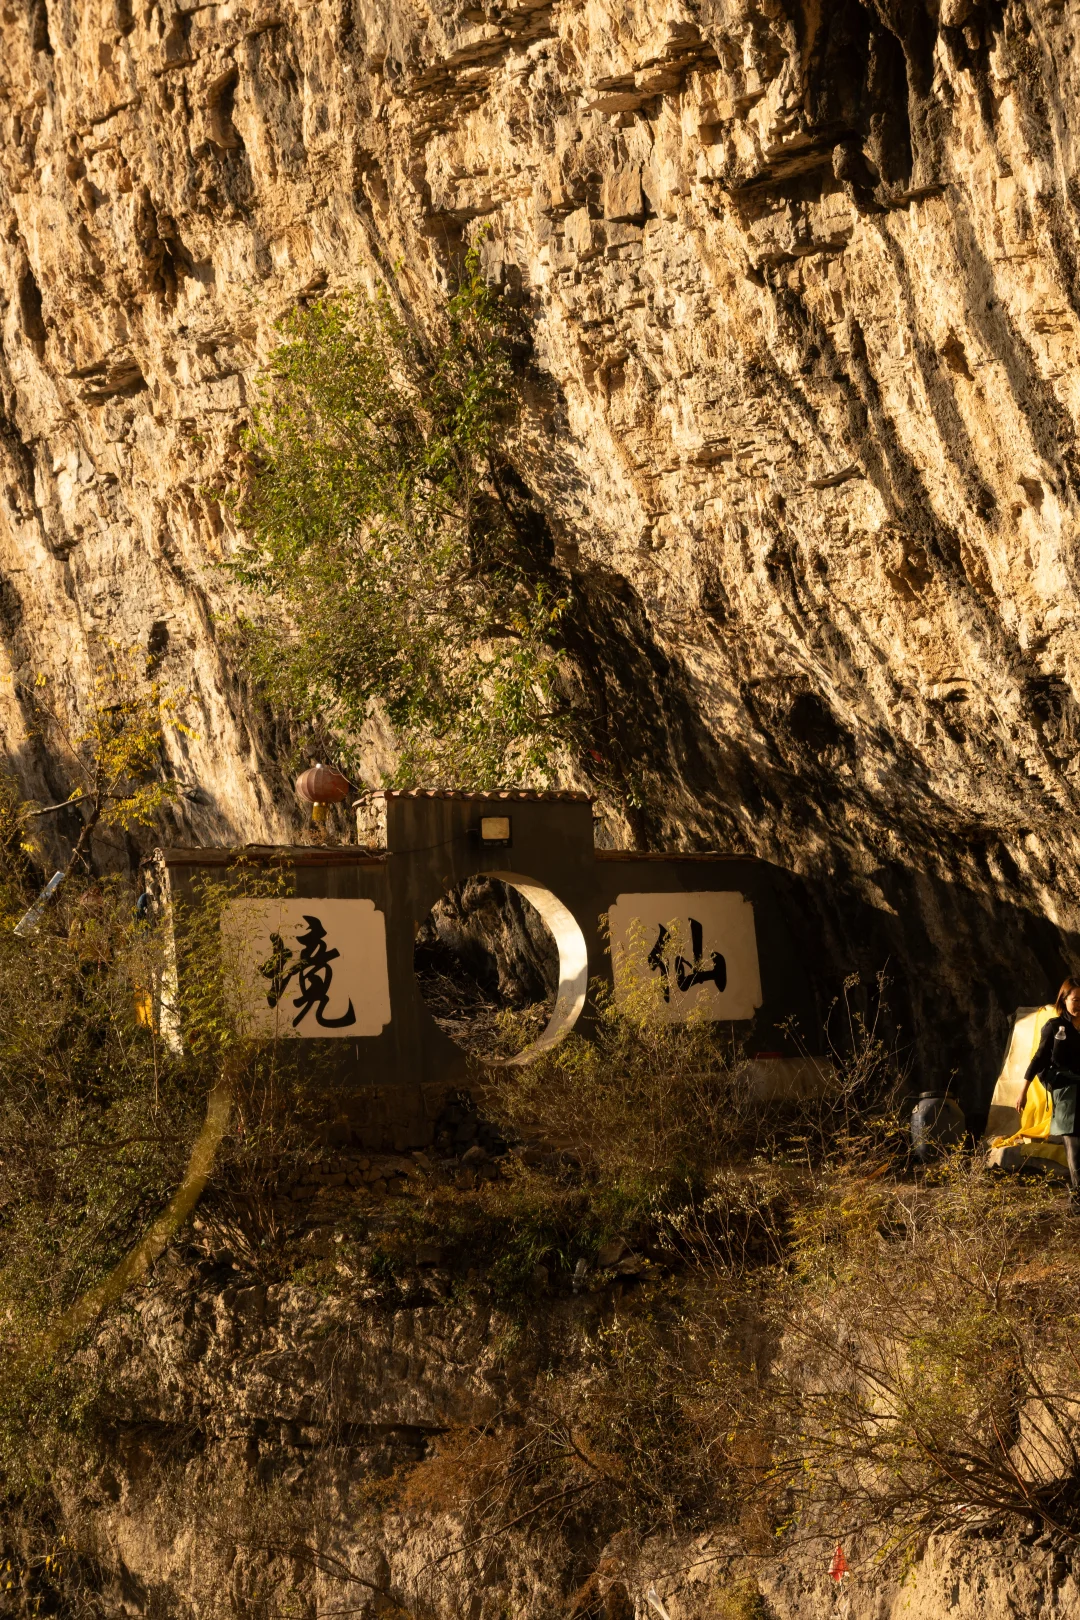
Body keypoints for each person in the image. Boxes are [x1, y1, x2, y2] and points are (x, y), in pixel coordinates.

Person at [1016, 977, 1080, 1202]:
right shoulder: (1054, 1026)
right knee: (1075, 1149)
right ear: (1064, 999)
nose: (1079, 1004)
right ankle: (1077, 1203)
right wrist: (1023, 1091)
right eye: (1075, 999)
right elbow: (1038, 1059)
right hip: (1066, 1094)